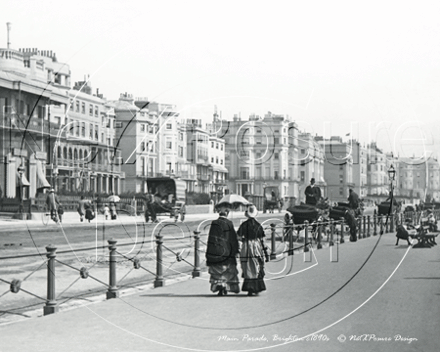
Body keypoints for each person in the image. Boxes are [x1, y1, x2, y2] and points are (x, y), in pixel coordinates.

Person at [205, 205, 240, 296]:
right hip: (227, 250)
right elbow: (232, 239)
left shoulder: (214, 223)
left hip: (216, 251)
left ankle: (219, 286)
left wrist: (209, 253)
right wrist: (236, 250)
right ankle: (226, 286)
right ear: (227, 213)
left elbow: (211, 239)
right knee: (227, 270)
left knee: (217, 271)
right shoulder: (229, 223)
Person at [237, 205, 269, 296]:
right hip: (256, 246)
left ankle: (250, 288)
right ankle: (257, 287)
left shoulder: (244, 225)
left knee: (247, 266)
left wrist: (243, 240)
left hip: (247, 246)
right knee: (257, 265)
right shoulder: (258, 225)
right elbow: (263, 240)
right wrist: (266, 253)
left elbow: (238, 236)